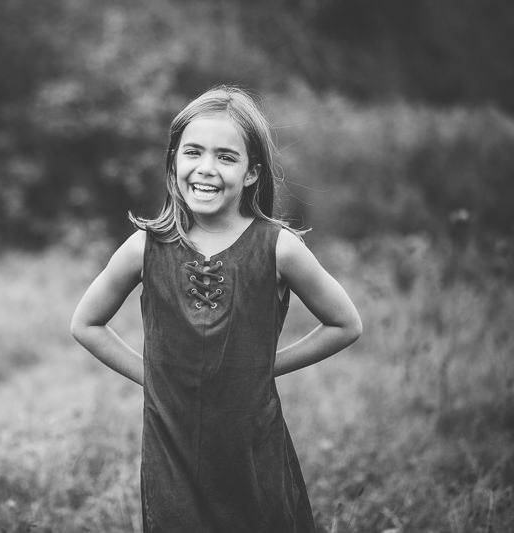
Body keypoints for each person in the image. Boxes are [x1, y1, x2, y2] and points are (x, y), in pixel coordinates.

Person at [70, 85, 362, 532]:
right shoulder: (145, 247)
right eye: (193, 152)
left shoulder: (279, 247)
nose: (206, 169)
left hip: (250, 446)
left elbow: (345, 324)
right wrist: (156, 377)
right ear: (174, 162)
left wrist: (265, 368)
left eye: (226, 157)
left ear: (251, 173)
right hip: (171, 446)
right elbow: (86, 323)